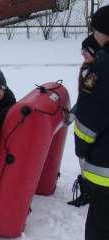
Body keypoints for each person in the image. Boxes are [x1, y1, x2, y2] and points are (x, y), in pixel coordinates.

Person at [74, 6, 109, 240]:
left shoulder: (101, 70)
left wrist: (82, 149)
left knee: (100, 226)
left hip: (104, 167)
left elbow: (88, 120)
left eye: (96, 30)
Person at [68, 35, 100, 208]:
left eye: (87, 51)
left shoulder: (98, 71)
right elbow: (83, 98)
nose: (83, 54)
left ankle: (93, 193)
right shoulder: (86, 69)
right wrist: (74, 112)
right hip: (83, 122)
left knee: (92, 158)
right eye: (82, 51)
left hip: (94, 124)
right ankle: (86, 191)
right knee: (82, 156)